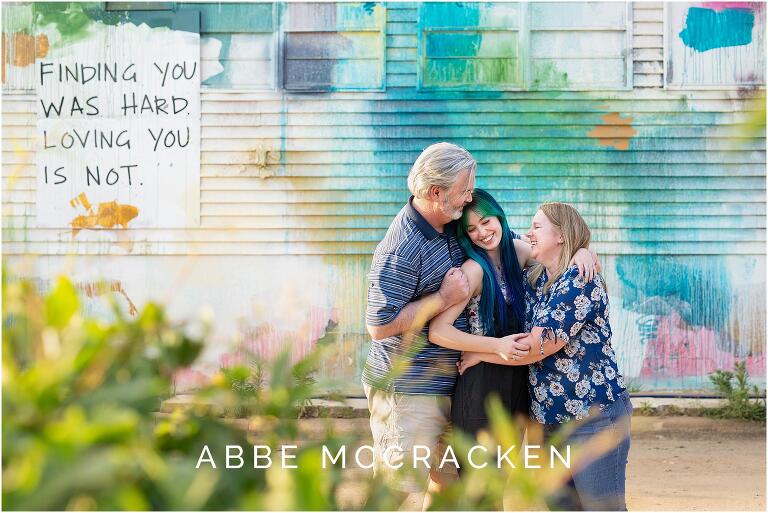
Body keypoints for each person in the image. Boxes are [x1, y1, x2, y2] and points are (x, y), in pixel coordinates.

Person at [457, 202, 631, 511]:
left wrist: (480, 354)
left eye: (537, 227)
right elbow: (495, 237)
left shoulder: (578, 281)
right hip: (550, 420)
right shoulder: (536, 277)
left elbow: (536, 347)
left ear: (561, 235)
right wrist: (584, 248)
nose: (528, 233)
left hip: (592, 419)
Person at [428, 190, 599, 446]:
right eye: (472, 229)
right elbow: (438, 330)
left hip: (520, 376)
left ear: (499, 217)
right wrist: (494, 346)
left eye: (486, 222)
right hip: (482, 381)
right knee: (481, 475)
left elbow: (560, 255)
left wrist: (583, 251)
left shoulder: (520, 251)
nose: (483, 233)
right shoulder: (473, 270)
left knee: (509, 473)